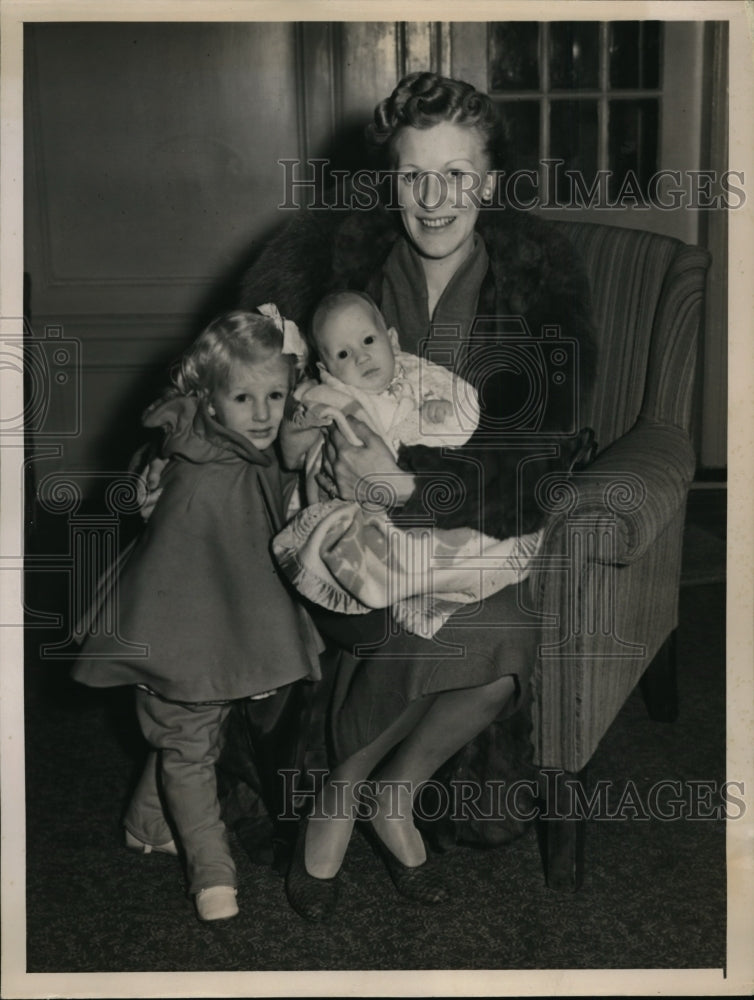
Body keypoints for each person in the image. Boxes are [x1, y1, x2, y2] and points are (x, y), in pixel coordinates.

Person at [234, 71, 597, 922]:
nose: (434, 199)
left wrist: (411, 484)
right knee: (404, 609)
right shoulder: (331, 263)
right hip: (338, 531)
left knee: (508, 636)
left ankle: (370, 788)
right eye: (413, 176)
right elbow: (252, 394)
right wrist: (297, 447)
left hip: (463, 523)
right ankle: (344, 794)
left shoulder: (535, 281)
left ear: (491, 183)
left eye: (458, 176)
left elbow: (533, 453)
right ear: (389, 180)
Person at [72, 307, 322, 922]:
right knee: (189, 746)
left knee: (191, 736)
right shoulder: (189, 455)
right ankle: (212, 874)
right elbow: (153, 462)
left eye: (275, 395)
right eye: (244, 397)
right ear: (208, 400)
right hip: (174, 632)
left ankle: (146, 824)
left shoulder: (253, 447)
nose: (263, 413)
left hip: (224, 631)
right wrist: (140, 488)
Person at [282, 289, 480, 505]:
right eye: (343, 354)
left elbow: (464, 421)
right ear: (326, 369)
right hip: (355, 504)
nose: (361, 357)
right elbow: (295, 449)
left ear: (393, 341)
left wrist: (440, 412)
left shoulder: (416, 376)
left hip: (434, 490)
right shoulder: (333, 397)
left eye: (368, 340)